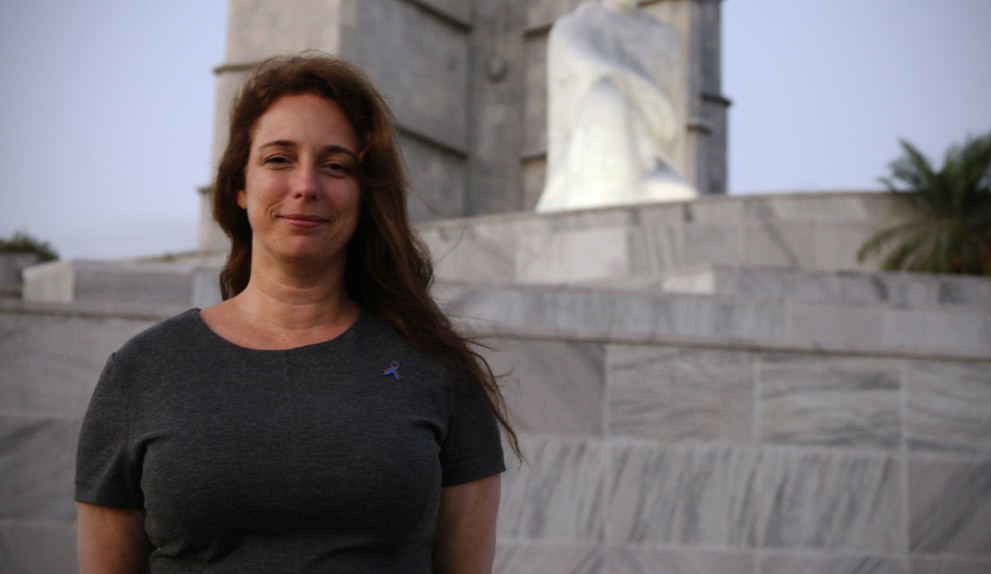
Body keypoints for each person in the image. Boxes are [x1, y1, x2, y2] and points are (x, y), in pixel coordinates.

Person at [75, 54, 518, 573]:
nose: (306, 185)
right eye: (278, 159)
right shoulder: (142, 372)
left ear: (364, 194)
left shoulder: (437, 371)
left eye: (335, 165)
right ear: (239, 186)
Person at [536, 0, 697, 212]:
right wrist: (652, 105)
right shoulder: (574, 28)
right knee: (604, 95)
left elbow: (673, 131)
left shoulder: (665, 37)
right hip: (594, 145)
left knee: (683, 198)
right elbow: (588, 65)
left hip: (647, 156)